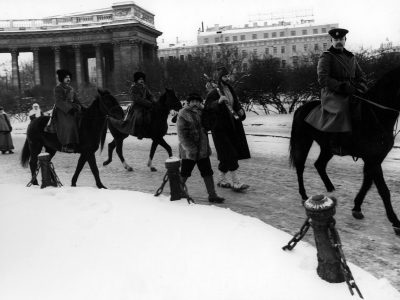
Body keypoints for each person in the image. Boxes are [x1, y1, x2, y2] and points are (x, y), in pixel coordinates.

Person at [305, 28, 367, 155]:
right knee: (342, 109)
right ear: (331, 40)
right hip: (332, 93)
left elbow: (361, 75)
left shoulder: (351, 57)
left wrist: (361, 85)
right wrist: (342, 87)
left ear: (345, 40)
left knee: (367, 107)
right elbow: (323, 78)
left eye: (341, 39)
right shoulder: (327, 56)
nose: (339, 41)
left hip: (351, 91)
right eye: (336, 39)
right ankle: (335, 143)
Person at [203, 66, 251, 192]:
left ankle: (221, 180)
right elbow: (207, 108)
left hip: (232, 126)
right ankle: (236, 182)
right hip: (219, 128)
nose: (227, 78)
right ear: (219, 77)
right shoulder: (214, 92)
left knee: (226, 155)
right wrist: (217, 102)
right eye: (225, 76)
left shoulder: (230, 89)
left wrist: (240, 110)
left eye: (228, 76)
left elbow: (235, 103)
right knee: (230, 154)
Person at [177, 93, 224, 203]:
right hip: (189, 150)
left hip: (202, 149)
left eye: (197, 101)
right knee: (185, 172)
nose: (195, 103)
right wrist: (191, 149)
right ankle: (177, 191)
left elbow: (209, 125)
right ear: (189, 103)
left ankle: (212, 195)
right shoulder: (183, 114)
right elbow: (182, 134)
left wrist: (210, 116)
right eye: (192, 101)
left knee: (207, 172)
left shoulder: (203, 112)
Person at [46, 69, 82, 153]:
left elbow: (76, 100)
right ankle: (67, 144)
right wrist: (69, 109)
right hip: (62, 111)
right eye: (66, 77)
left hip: (73, 108)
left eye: (69, 77)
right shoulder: (58, 88)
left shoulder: (71, 88)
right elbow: (59, 101)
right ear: (62, 78)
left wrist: (80, 107)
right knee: (69, 124)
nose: (68, 79)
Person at [128, 71, 155, 139]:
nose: (141, 81)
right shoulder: (133, 87)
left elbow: (150, 95)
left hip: (146, 105)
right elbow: (137, 99)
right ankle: (139, 132)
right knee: (139, 116)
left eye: (142, 79)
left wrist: (154, 102)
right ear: (136, 80)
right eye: (140, 79)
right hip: (137, 106)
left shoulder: (145, 87)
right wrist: (148, 103)